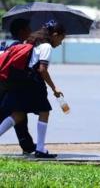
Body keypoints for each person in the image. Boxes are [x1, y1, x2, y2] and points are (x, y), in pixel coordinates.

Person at [0, 20, 66, 158]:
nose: (60, 43)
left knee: (18, 114)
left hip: (20, 80)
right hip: (33, 81)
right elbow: (42, 69)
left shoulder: (32, 42)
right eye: (61, 38)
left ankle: (39, 148)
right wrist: (55, 88)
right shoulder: (46, 46)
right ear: (54, 34)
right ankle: (40, 149)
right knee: (44, 111)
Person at [0, 18, 36, 155]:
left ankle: (27, 144)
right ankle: (27, 144)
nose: (31, 31)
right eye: (28, 29)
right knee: (13, 113)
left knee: (19, 114)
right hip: (8, 85)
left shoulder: (9, 45)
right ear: (22, 32)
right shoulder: (20, 47)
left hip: (5, 84)